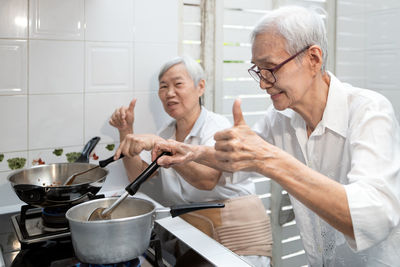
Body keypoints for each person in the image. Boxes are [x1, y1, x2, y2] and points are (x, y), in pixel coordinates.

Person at [152, 6, 400, 267]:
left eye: (271, 68)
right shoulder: (279, 118)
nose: (262, 83)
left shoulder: (369, 110)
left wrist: (271, 160)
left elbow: (374, 217)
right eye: (258, 71)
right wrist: (192, 153)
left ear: (313, 59)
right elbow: (238, 161)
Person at [110, 56, 272, 266]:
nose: (169, 93)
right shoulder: (167, 132)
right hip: (199, 239)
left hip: (238, 238)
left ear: (200, 87)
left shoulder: (216, 127)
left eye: (178, 84)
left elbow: (207, 180)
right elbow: (137, 177)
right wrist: (126, 131)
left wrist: (164, 145)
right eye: (163, 87)